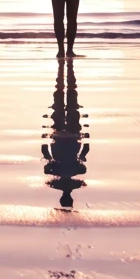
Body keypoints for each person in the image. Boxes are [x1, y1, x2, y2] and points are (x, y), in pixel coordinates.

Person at [41, 59, 89, 208]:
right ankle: (65, 75)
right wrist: (48, 157)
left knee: (68, 109)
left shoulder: (74, 179)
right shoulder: (57, 181)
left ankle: (63, 75)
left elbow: (84, 164)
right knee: (62, 110)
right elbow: (46, 161)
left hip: (70, 141)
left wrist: (82, 155)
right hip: (61, 140)